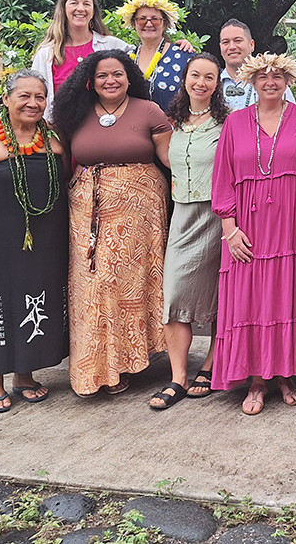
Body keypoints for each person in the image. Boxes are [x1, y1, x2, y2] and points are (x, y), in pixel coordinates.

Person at [51, 50, 172, 396]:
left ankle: (126, 362)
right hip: (85, 209)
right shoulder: (76, 112)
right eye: (103, 75)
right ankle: (94, 367)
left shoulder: (148, 110)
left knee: (124, 285)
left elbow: (170, 157)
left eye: (117, 74)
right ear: (92, 79)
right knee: (91, 285)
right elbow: (57, 157)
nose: (110, 81)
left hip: (139, 212)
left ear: (129, 76)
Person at [0, 69, 69, 413]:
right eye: (24, 96)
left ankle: (25, 375)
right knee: (1, 305)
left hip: (48, 242)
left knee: (36, 301)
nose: (33, 103)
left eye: (40, 97)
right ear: (6, 99)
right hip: (1, 243)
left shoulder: (52, 137)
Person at [211, 53, 296, 414]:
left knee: (286, 296)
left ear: (289, 81)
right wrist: (229, 228)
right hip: (246, 228)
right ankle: (256, 380)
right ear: (252, 82)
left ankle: (285, 373)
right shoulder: (235, 122)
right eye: (263, 77)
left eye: (278, 76)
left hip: (291, 226)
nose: (270, 82)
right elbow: (222, 177)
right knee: (250, 299)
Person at [147, 53, 230, 410]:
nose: (201, 82)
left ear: (217, 83)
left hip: (218, 213)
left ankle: (210, 366)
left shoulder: (228, 122)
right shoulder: (171, 122)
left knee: (220, 295)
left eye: (209, 77)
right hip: (182, 213)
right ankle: (178, 376)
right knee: (175, 291)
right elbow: (162, 160)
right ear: (185, 79)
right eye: (195, 75)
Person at [31, 0, 128, 116]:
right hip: (61, 130)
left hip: (104, 126)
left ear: (93, 11)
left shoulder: (114, 46)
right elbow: (36, 93)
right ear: (64, 9)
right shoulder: (46, 53)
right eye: (74, 3)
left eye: (87, 4)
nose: (80, 8)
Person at [116, 0, 195, 111]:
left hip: (172, 127)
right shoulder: (126, 58)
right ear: (134, 24)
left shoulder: (183, 56)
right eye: (142, 19)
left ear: (164, 23)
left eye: (155, 19)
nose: (148, 23)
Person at [217, 19, 295, 111]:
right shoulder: (212, 83)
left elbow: (291, 118)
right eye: (226, 42)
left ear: (251, 45)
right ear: (220, 47)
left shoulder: (272, 83)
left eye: (238, 40)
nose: (232, 47)